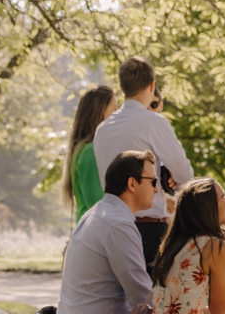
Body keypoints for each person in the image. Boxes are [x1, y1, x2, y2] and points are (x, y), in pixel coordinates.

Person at [93, 56, 195, 267]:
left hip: (108, 224)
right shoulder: (154, 123)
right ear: (152, 85)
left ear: (122, 88)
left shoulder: (102, 129)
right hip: (148, 228)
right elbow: (185, 175)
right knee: (151, 296)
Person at [57, 150, 158, 314]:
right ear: (132, 183)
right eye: (153, 181)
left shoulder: (95, 215)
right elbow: (142, 297)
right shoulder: (118, 225)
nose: (156, 189)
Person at [151, 178, 225, 314]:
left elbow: (192, 304)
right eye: (224, 197)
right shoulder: (214, 246)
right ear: (209, 208)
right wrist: (223, 248)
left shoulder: (173, 244)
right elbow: (220, 309)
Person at [64, 85, 117, 221]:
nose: (117, 115)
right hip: (95, 234)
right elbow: (97, 203)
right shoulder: (90, 152)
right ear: (99, 112)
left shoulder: (89, 149)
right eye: (114, 109)